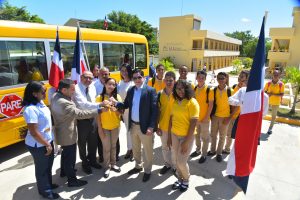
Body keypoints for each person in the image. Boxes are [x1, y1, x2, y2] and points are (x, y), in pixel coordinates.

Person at [51, 79, 104, 187]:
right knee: (70, 158)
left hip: (61, 131)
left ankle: (63, 172)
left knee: (65, 154)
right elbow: (79, 114)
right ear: (64, 90)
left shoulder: (55, 96)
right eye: (72, 90)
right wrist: (98, 111)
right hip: (67, 134)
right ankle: (72, 180)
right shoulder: (64, 102)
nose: (74, 92)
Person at [114, 69, 158, 182]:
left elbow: (155, 111)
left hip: (146, 127)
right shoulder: (131, 90)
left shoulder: (150, 90)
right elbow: (126, 104)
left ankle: (147, 170)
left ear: (143, 78)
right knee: (136, 149)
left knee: (147, 151)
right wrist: (116, 103)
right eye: (135, 78)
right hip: (133, 125)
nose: (137, 80)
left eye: (139, 77)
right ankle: (138, 166)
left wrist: (151, 127)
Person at [22, 81, 59, 199]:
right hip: (38, 144)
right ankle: (45, 191)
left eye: (45, 90)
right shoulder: (30, 109)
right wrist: (47, 144)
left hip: (47, 140)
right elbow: (33, 132)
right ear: (34, 94)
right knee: (42, 169)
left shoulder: (40, 103)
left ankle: (48, 184)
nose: (45, 93)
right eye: (43, 91)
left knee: (48, 165)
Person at [168, 79, 199, 192]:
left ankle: (186, 179)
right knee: (176, 161)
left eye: (182, 88)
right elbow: (171, 118)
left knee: (181, 162)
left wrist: (186, 141)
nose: (180, 91)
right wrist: (169, 137)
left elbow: (194, 122)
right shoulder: (175, 101)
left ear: (187, 89)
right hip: (175, 134)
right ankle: (180, 178)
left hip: (187, 137)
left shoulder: (192, 102)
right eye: (177, 88)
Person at [73, 71, 103, 174]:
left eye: (91, 78)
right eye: (86, 77)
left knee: (93, 141)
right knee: (82, 143)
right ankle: (85, 163)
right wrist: (100, 105)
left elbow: (93, 101)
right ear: (81, 77)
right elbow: (83, 104)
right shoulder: (76, 88)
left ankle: (93, 161)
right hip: (82, 120)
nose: (88, 80)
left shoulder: (93, 87)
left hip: (93, 118)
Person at [96, 78, 122, 178]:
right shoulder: (100, 97)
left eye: (113, 85)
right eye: (109, 84)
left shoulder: (117, 97)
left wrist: (115, 109)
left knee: (113, 146)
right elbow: (97, 114)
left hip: (115, 126)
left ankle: (113, 164)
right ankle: (106, 167)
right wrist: (99, 128)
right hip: (104, 127)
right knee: (106, 148)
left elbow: (120, 113)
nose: (111, 86)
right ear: (105, 84)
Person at [208, 72, 234, 163]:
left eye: (222, 78)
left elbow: (234, 106)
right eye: (219, 78)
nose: (220, 80)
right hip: (215, 117)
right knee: (213, 135)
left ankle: (219, 153)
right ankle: (212, 150)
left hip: (225, 118)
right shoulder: (213, 90)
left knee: (222, 136)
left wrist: (229, 118)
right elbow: (211, 105)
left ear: (226, 79)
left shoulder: (230, 91)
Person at [223, 70, 249, 154]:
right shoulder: (235, 86)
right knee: (229, 134)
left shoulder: (246, 90)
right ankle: (227, 149)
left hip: (238, 116)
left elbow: (238, 105)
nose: (239, 77)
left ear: (246, 79)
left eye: (242, 76)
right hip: (231, 114)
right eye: (239, 75)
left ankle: (235, 150)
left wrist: (230, 116)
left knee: (236, 135)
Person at [190, 70, 214, 164]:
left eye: (202, 78)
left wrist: (206, 117)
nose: (200, 79)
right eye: (199, 77)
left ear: (205, 79)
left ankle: (204, 154)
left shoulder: (209, 90)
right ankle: (198, 150)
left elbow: (211, 105)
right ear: (196, 78)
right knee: (196, 136)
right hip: (196, 118)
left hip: (205, 119)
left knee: (205, 138)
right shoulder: (194, 89)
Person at [156, 71, 176, 175]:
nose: (168, 82)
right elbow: (157, 111)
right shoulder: (159, 94)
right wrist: (157, 127)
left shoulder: (178, 94)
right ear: (164, 81)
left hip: (176, 127)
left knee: (174, 148)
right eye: (167, 80)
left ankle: (175, 166)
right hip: (163, 126)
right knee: (165, 147)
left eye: (171, 80)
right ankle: (167, 164)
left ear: (174, 81)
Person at [117, 63, 134, 161]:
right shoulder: (120, 83)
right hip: (123, 111)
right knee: (128, 131)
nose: (124, 73)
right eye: (122, 70)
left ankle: (133, 151)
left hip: (132, 111)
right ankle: (129, 149)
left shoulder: (132, 83)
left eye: (126, 70)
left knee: (132, 131)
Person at [264, 69, 284, 135]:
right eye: (274, 74)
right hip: (268, 102)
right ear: (272, 75)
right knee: (262, 114)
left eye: (277, 75)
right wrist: (267, 94)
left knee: (273, 116)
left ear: (279, 76)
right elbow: (264, 92)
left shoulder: (281, 84)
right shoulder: (268, 83)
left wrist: (272, 94)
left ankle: (270, 129)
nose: (275, 76)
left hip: (276, 102)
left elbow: (282, 94)